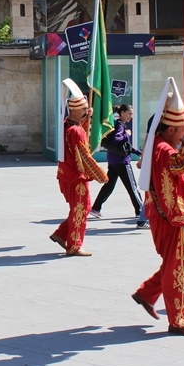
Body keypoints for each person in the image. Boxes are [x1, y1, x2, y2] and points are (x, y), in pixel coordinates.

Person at [132, 80, 184, 337]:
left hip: (169, 215)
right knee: (179, 265)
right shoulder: (164, 149)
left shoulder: (161, 144)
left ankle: (147, 293)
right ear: (172, 128)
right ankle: (178, 320)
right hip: (173, 217)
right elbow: (180, 165)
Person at [49, 80, 108, 257]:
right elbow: (83, 154)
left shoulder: (68, 124)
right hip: (76, 176)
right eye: (83, 110)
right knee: (82, 208)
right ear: (74, 110)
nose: (86, 112)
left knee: (79, 208)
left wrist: (85, 118)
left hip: (67, 174)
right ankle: (74, 245)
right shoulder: (75, 131)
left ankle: (60, 234)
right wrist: (100, 174)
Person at [90, 104, 146, 224]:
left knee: (109, 186)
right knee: (132, 187)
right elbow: (117, 139)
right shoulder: (120, 126)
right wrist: (127, 134)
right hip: (122, 162)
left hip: (113, 161)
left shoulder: (115, 124)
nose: (131, 116)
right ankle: (140, 211)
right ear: (123, 113)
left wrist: (138, 152)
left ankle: (96, 208)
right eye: (130, 113)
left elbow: (125, 146)